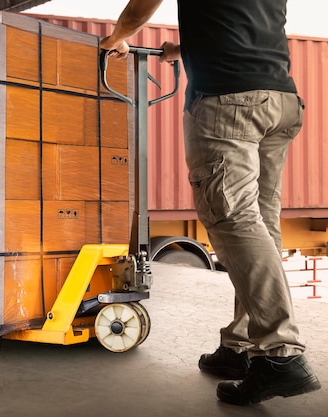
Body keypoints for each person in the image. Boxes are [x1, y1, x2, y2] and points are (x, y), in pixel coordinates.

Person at [100, 0, 321, 406]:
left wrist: (118, 37)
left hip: (229, 101)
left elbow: (143, 3)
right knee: (260, 227)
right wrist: (185, 50)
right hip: (279, 99)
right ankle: (240, 347)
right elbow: (242, 22)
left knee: (235, 222)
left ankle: (279, 353)